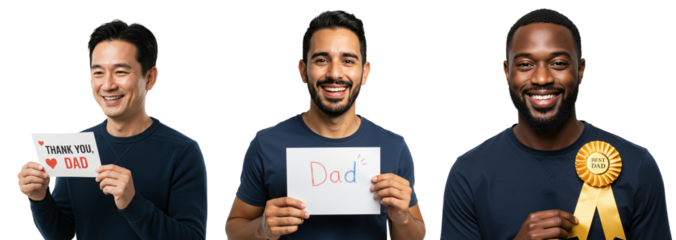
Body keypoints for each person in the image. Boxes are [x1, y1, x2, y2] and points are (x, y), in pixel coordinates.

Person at [438, 8, 672, 239]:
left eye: (558, 63)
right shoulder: (468, 173)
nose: (542, 78)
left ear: (581, 71)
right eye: (525, 64)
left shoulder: (637, 165)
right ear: (506, 73)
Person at [224, 9, 427, 240]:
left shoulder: (394, 147)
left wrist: (402, 218)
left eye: (348, 61)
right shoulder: (265, 144)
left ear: (365, 73)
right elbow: (233, 228)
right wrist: (262, 228)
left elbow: (417, 234)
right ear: (302, 70)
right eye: (322, 60)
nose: (334, 73)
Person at [15, 18, 209, 239]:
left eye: (121, 71)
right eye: (98, 72)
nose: (107, 85)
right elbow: (62, 234)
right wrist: (40, 199)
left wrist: (133, 204)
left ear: (151, 78)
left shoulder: (182, 151)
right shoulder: (77, 145)